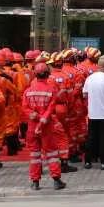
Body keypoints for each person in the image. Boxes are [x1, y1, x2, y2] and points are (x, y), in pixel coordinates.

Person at [22, 61, 67, 190]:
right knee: (52, 154)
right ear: (47, 75)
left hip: (32, 127)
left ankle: (35, 182)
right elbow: (51, 108)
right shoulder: (51, 90)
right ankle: (56, 181)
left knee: (35, 155)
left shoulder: (28, 91)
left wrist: (35, 117)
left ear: (35, 75)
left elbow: (25, 108)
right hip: (46, 127)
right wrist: (42, 119)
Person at [83, 55, 104, 170]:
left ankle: (88, 161)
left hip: (93, 113)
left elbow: (84, 94)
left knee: (91, 137)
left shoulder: (89, 78)